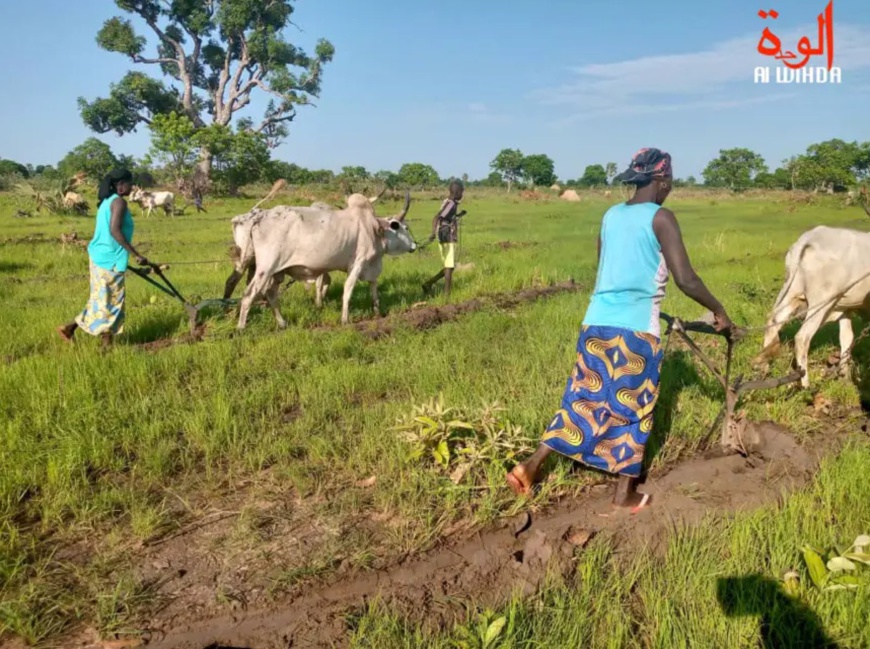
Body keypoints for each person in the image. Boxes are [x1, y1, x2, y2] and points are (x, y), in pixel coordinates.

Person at [506, 148, 734, 512]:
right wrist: (719, 311)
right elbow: (686, 279)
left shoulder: (611, 215)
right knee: (634, 408)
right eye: (671, 180)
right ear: (662, 180)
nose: (671, 186)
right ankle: (624, 494)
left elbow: (606, 268)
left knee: (582, 398)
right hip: (637, 332)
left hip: (596, 322)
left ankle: (530, 466)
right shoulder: (662, 218)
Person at [57, 168, 150, 347]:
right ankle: (106, 348)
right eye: (130, 183)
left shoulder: (106, 201)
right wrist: (136, 255)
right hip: (110, 258)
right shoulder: (119, 203)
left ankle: (69, 328)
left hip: (99, 255)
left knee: (100, 298)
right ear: (120, 185)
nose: (132, 186)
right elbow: (115, 231)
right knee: (112, 302)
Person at [422, 179, 467, 297]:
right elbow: (437, 217)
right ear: (457, 192)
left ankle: (428, 284)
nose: (462, 195)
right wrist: (433, 233)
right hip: (446, 236)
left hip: (444, 234)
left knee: (449, 267)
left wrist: (458, 215)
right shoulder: (451, 204)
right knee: (449, 267)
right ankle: (447, 296)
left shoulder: (449, 202)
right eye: (462, 192)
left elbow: (446, 217)